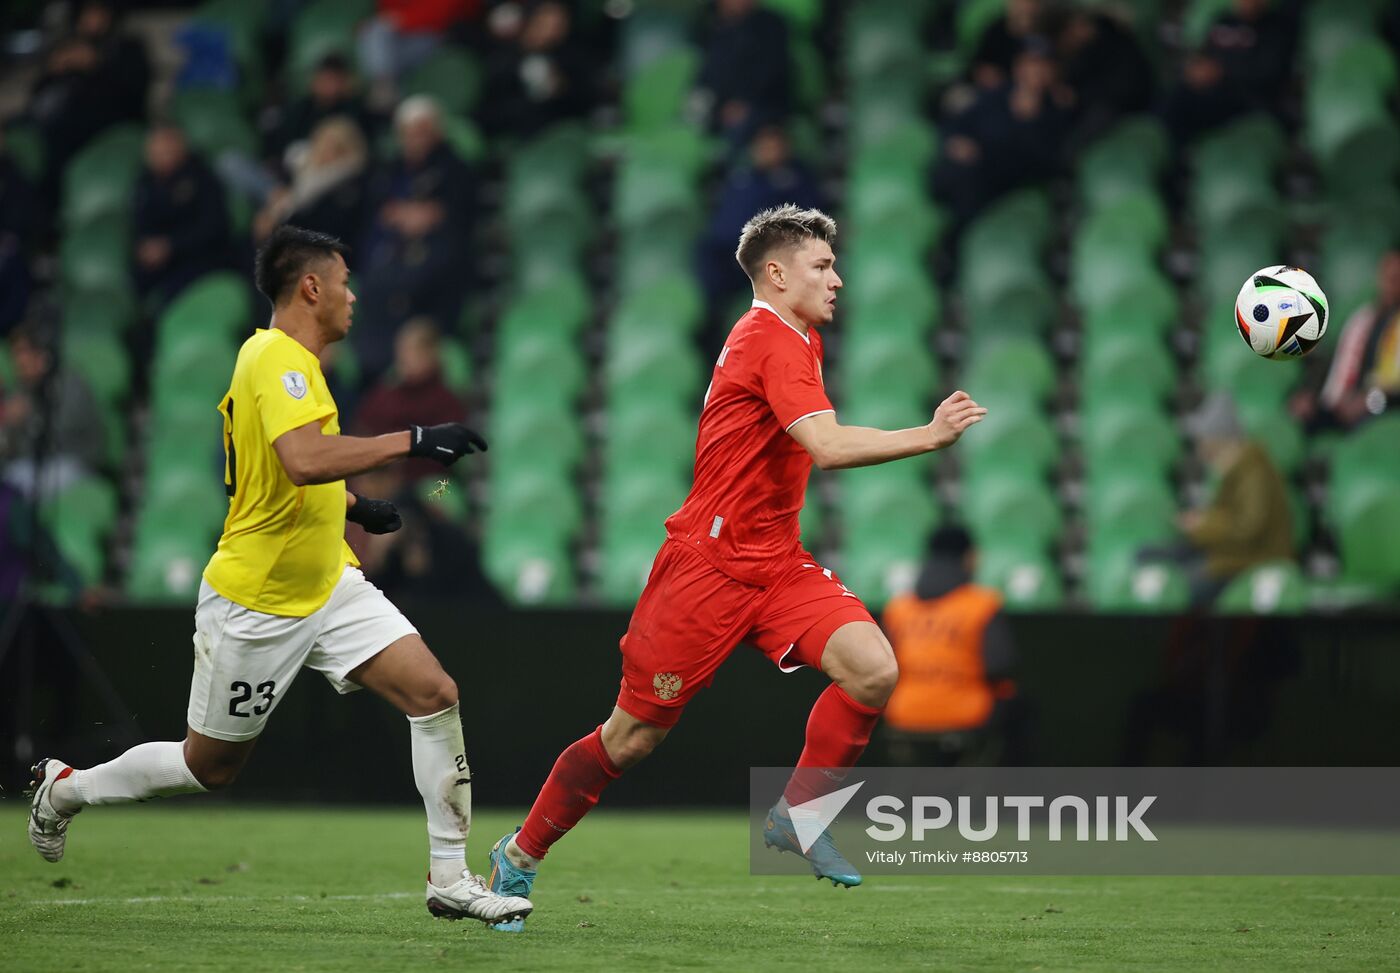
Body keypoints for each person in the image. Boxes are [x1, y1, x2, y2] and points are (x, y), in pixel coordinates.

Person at [483, 205, 986, 929]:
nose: (838, 279)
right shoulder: (769, 340)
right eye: (822, 266)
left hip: (776, 563)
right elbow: (830, 447)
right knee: (631, 737)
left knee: (873, 668)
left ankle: (799, 815)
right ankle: (519, 856)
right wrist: (929, 435)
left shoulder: (796, 336)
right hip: (706, 571)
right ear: (776, 274)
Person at [25, 225, 530, 926]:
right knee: (209, 766)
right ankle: (67, 788)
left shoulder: (295, 366)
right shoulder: (274, 356)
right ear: (311, 287)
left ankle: (449, 874)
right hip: (258, 600)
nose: (354, 296)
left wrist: (356, 505)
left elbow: (275, 472)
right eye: (345, 282)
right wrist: (414, 440)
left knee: (433, 692)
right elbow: (301, 459)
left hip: (327, 581)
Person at [355, 96, 475, 381]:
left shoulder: (455, 169)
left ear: (437, 131)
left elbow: (457, 216)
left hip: (435, 273)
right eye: (409, 133)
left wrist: (430, 216)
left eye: (422, 131)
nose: (416, 140)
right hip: (389, 267)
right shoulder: (389, 170)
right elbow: (380, 213)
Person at [881, 526, 1020, 767]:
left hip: (905, 712)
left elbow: (878, 668)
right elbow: (1000, 665)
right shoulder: (983, 604)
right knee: (1017, 703)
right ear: (969, 557)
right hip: (966, 714)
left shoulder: (898, 608)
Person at [1140, 393, 1293, 606]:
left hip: (1249, 559)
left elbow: (1248, 529)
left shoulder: (1254, 473)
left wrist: (1203, 524)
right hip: (1226, 551)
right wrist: (1202, 522)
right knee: (1148, 555)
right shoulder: (1236, 470)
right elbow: (1229, 515)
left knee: (1182, 587)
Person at [698, 126, 824, 342]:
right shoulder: (743, 178)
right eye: (762, 146)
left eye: (772, 145)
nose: (767, 151)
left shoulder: (796, 181)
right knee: (706, 256)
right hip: (730, 255)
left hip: (771, 259)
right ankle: (709, 330)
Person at [932, 38, 1075, 226]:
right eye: (1030, 64)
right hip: (966, 167)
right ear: (1018, 67)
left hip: (1004, 179)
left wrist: (1030, 117)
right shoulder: (998, 94)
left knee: (969, 183)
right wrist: (957, 141)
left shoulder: (1056, 109)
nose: (1035, 73)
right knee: (950, 174)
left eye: (1042, 66)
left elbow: (1047, 160)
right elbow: (957, 123)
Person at [1291, 251, 1400, 431]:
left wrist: (1371, 400)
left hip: (1381, 411)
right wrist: (1309, 392)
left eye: (1396, 277)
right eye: (1387, 274)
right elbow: (1331, 362)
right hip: (1339, 406)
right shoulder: (1362, 318)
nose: (1390, 282)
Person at [1162, 0, 1295, 142]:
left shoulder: (1277, 27)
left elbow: (1270, 73)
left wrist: (1220, 72)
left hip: (1247, 100)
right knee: (1174, 97)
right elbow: (1205, 56)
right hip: (1210, 93)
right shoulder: (1223, 21)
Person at [131, 123, 231, 311]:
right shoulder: (144, 185)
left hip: (199, 258)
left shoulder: (201, 177)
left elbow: (215, 227)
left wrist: (170, 245)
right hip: (160, 265)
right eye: (155, 151)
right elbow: (140, 228)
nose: (160, 156)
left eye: (166, 149)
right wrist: (148, 249)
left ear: (180, 147)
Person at [353, 317, 466, 482]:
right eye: (402, 351)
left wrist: (398, 475)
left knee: (433, 500)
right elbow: (362, 433)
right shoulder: (384, 395)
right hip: (380, 479)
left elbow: (445, 457)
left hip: (438, 483)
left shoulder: (447, 402)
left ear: (431, 354)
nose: (405, 359)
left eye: (414, 351)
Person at [0, 323, 105, 498]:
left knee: (36, 481)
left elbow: (63, 431)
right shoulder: (21, 389)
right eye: (15, 353)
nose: (18, 360)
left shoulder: (70, 382)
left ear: (41, 354)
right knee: (11, 482)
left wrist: (29, 413)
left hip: (74, 461)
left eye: (22, 352)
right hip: (32, 467)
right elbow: (13, 449)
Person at [253, 116, 370, 247]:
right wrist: (270, 215)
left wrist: (276, 226)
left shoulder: (347, 187)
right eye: (324, 143)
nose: (326, 151)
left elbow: (324, 228)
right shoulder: (303, 170)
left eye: (336, 148)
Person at [693, 0, 792, 150]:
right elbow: (705, 73)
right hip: (718, 104)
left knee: (739, 130)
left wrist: (743, 102)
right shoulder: (709, 24)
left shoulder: (771, 26)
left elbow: (771, 74)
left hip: (762, 106)